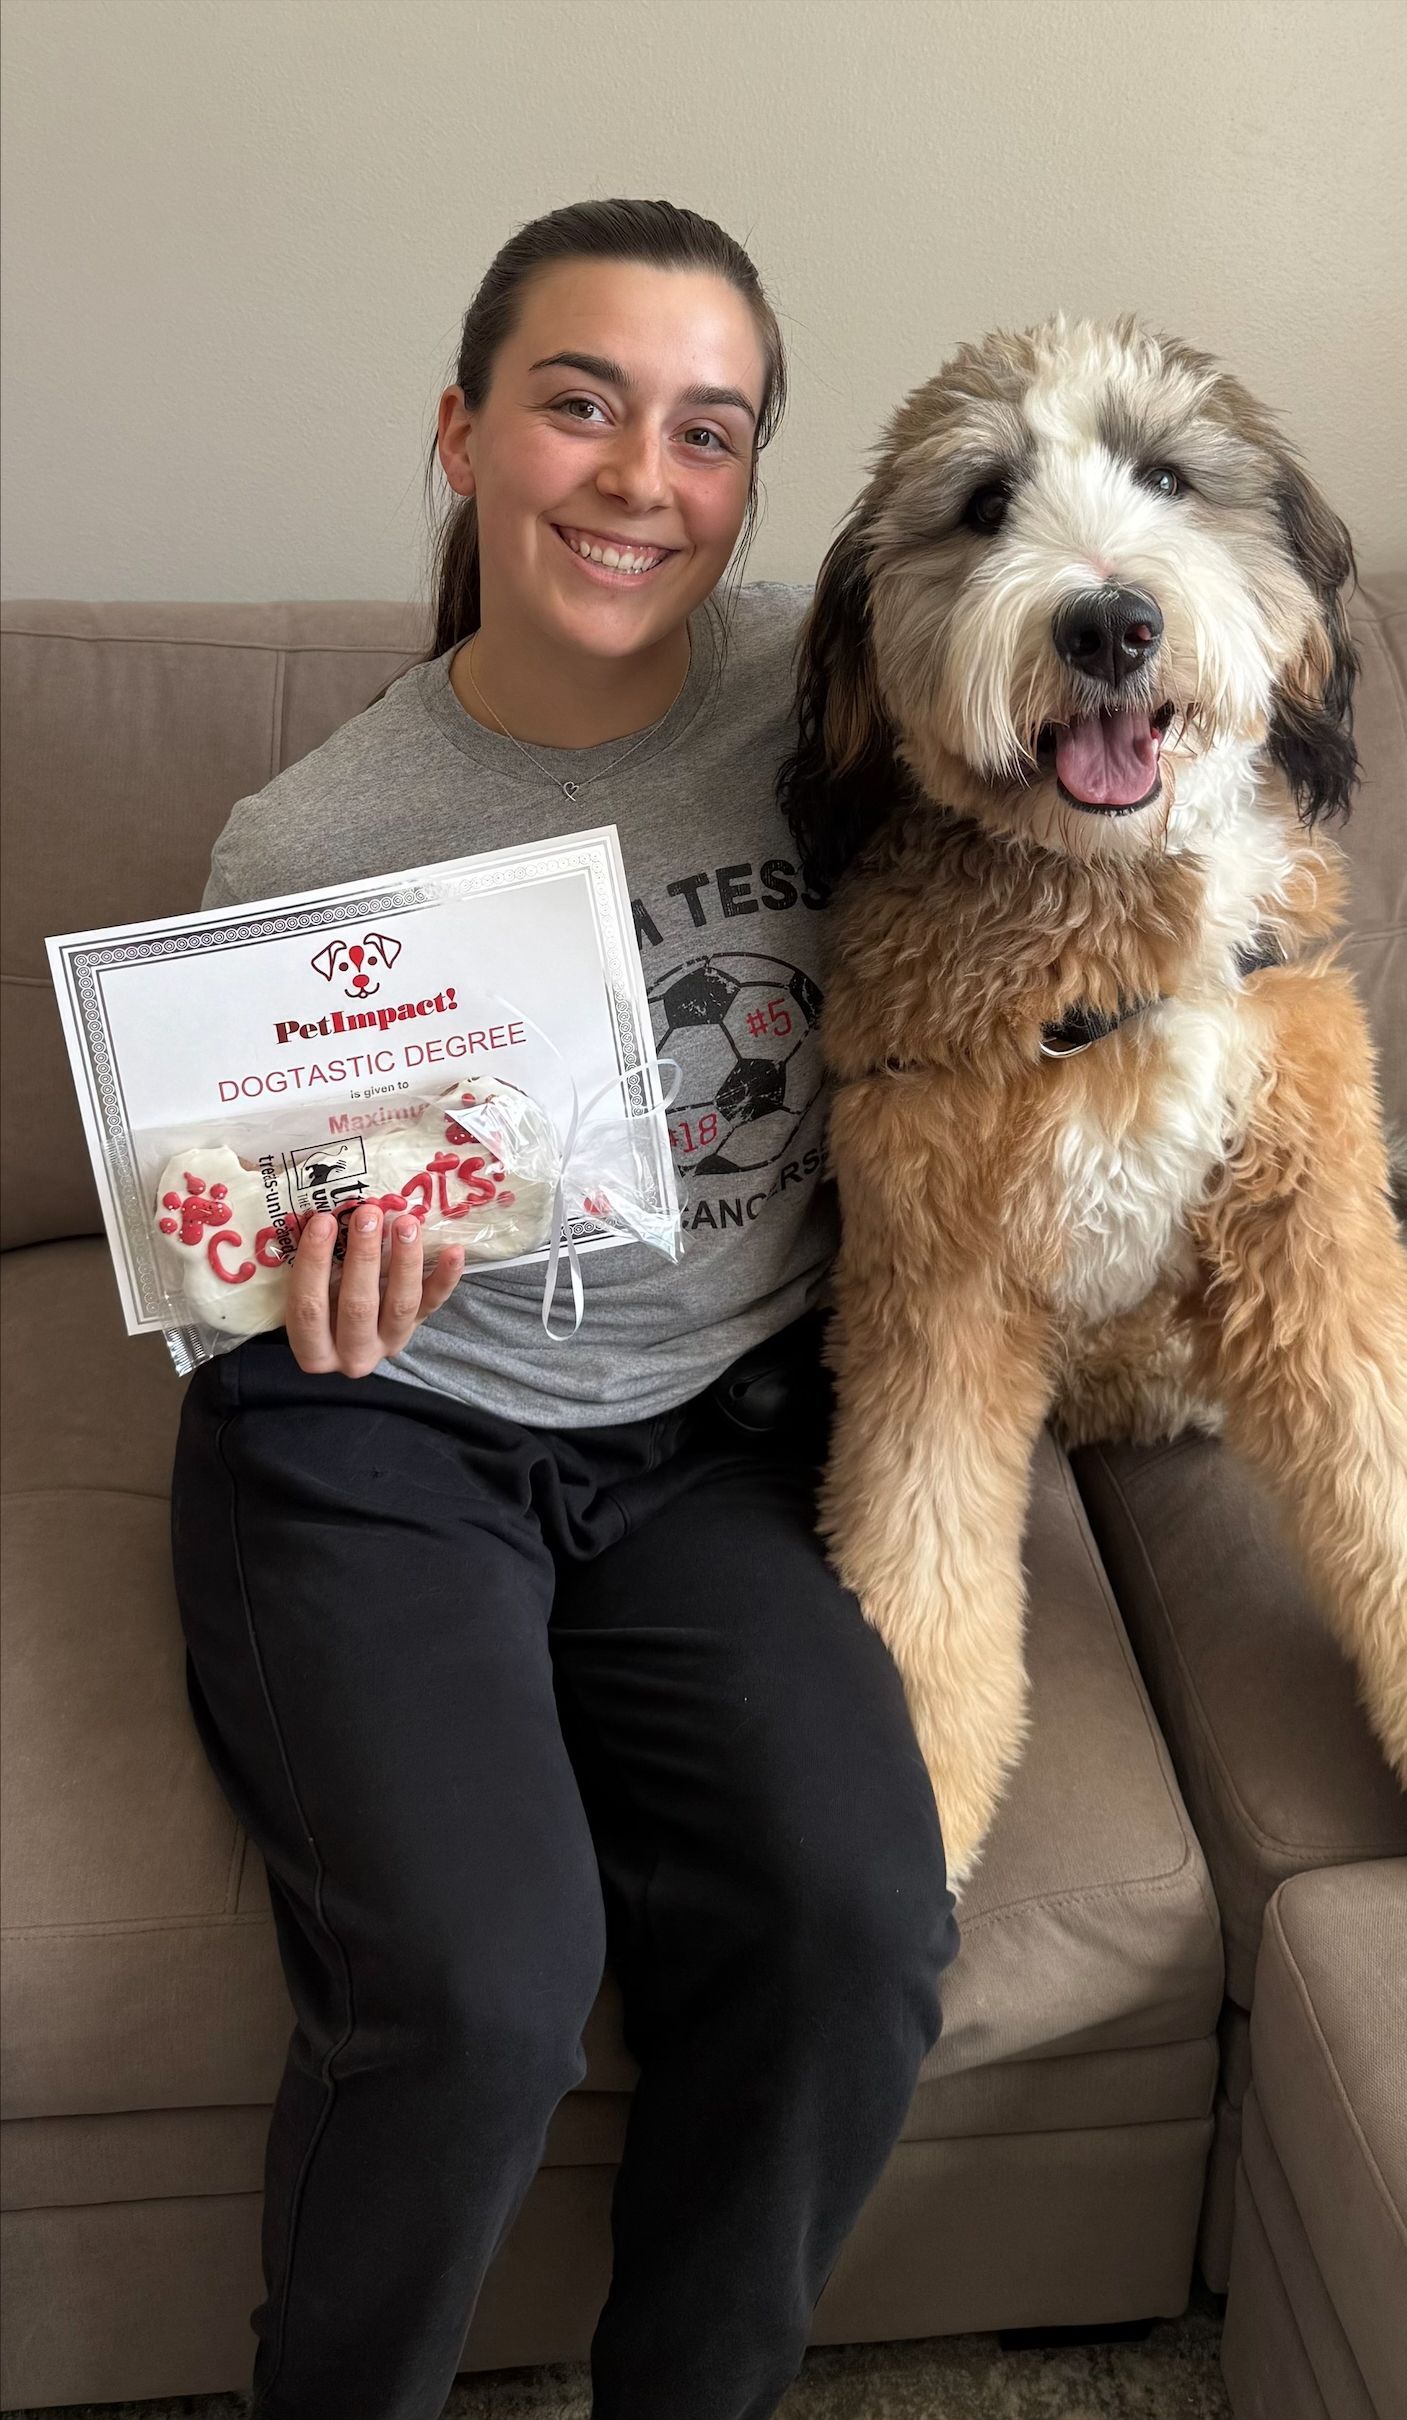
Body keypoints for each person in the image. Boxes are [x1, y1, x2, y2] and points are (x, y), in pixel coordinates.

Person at [170, 198, 960, 2420]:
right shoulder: (307, 836)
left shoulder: (832, 700)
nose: (639, 476)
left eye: (705, 432)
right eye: (580, 403)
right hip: (375, 1435)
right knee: (485, 1990)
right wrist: (303, 1290)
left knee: (854, 1925)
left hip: (703, 1434)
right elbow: (223, 1245)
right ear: (464, 432)